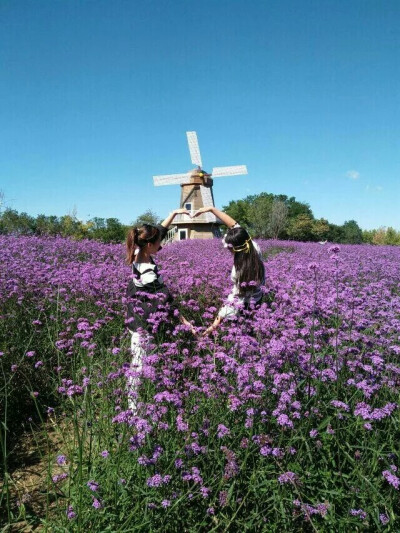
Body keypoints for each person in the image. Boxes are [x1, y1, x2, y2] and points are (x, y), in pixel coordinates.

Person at [125, 208, 193, 410]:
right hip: (143, 324)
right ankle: (134, 411)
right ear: (149, 245)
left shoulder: (139, 251)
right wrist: (184, 321)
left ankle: (146, 400)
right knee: (138, 366)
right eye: (158, 243)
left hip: (135, 318)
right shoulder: (148, 273)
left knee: (144, 362)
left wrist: (175, 212)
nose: (161, 245)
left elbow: (160, 231)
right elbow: (166, 301)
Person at [193, 206, 265, 336]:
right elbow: (234, 224)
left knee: (244, 334)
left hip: (248, 306)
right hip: (257, 298)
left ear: (236, 249)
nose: (227, 250)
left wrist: (214, 325)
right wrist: (211, 209)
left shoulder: (242, 271)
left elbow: (235, 300)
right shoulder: (252, 245)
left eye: (229, 248)